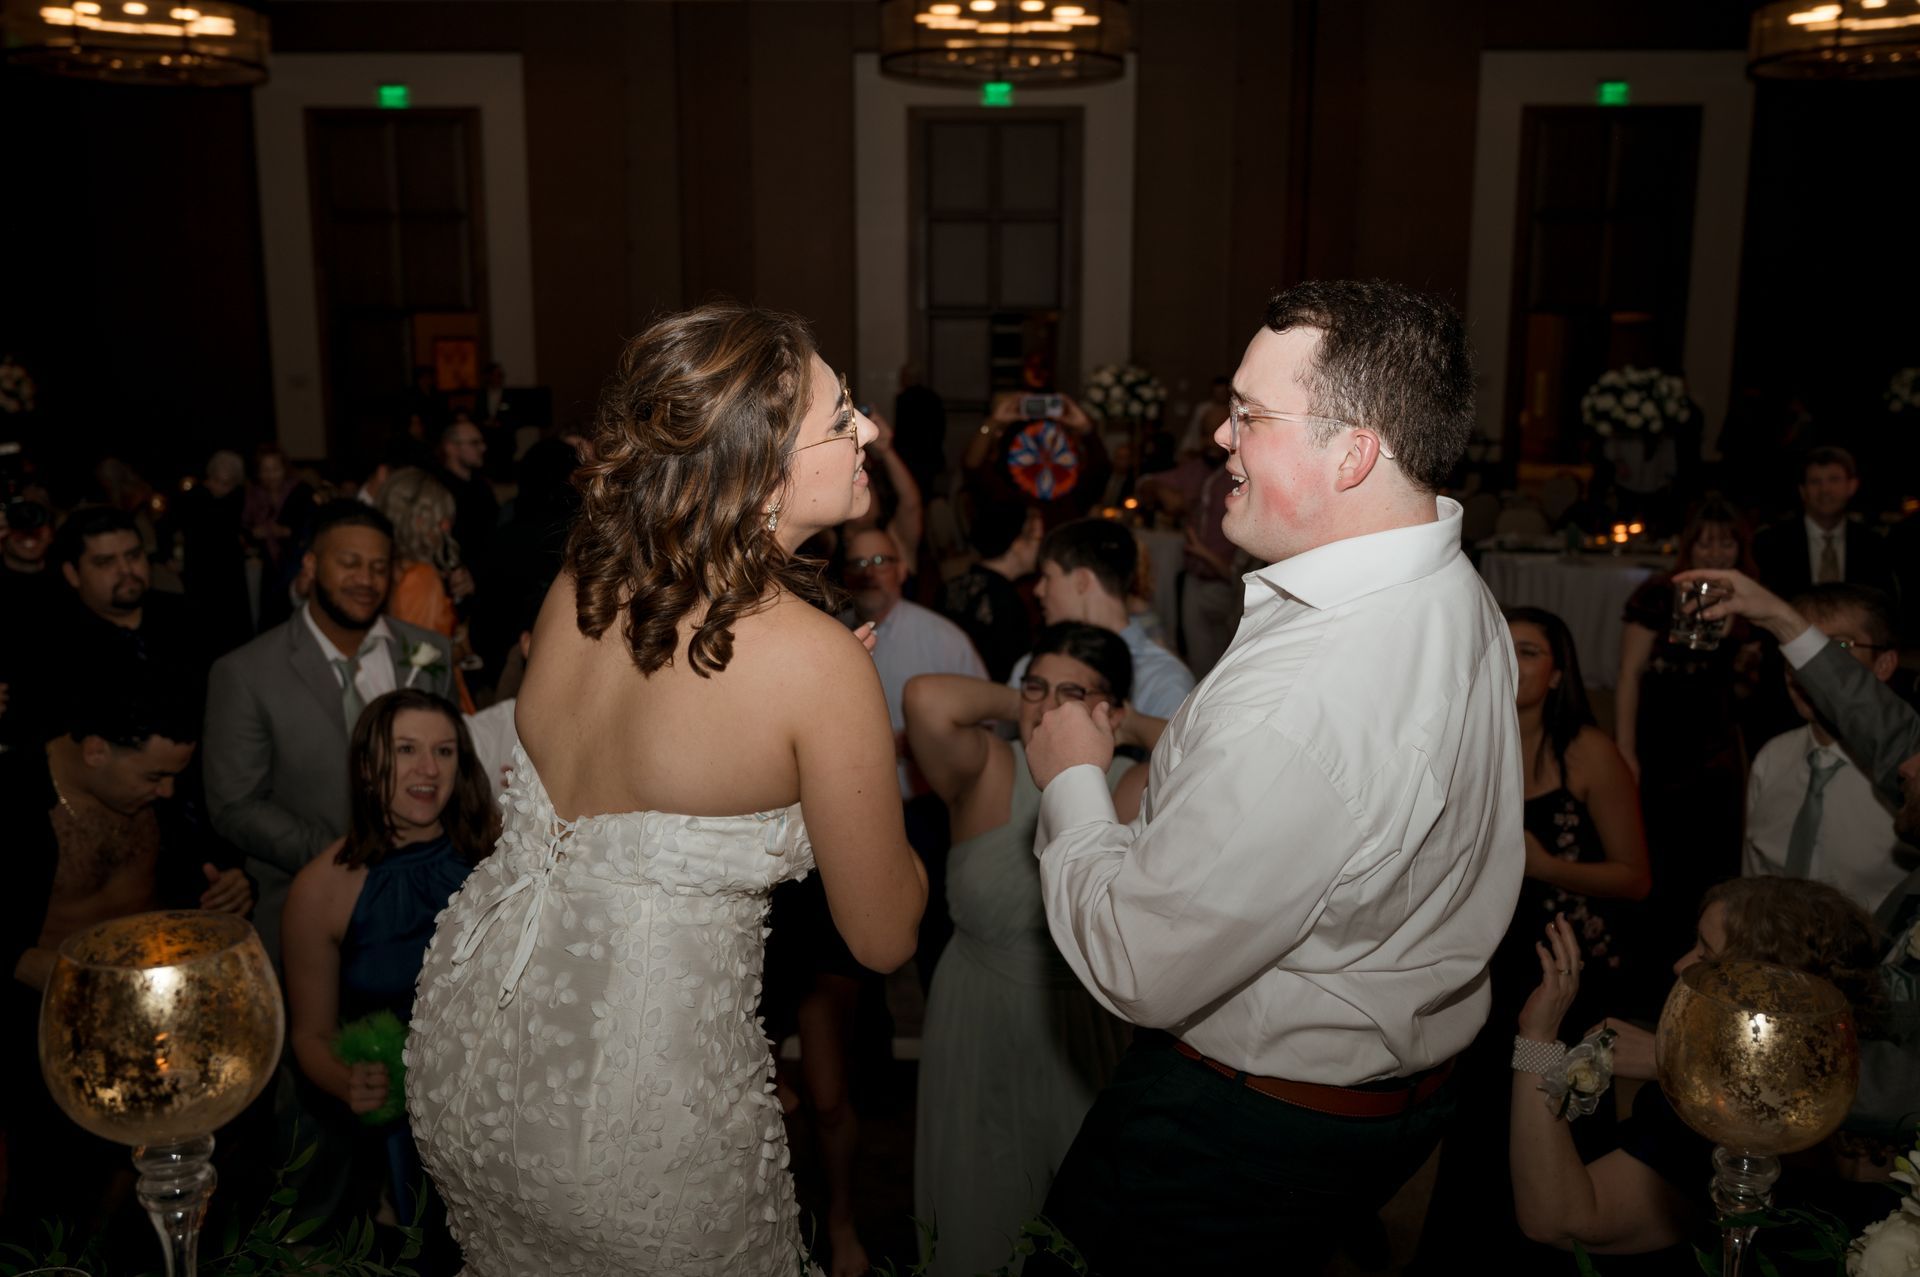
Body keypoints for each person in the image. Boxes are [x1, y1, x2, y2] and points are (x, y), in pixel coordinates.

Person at [405, 303, 928, 1277]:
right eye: (844, 414)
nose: (873, 432)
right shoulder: (815, 661)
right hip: (640, 1100)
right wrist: (855, 752)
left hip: (468, 1052)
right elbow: (884, 935)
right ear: (761, 471)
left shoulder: (579, 585)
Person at [1022, 279, 1523, 1274]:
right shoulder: (1449, 588)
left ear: (1356, 450)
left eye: (1250, 414)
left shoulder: (1309, 694)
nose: (1218, 436)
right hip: (1381, 1104)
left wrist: (1073, 781)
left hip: (1240, 1127)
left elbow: (1138, 962)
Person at [904, 624, 1158, 1277]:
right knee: (975, 1222)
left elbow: (1212, 752)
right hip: (976, 1020)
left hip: (1081, 1031)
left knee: (1078, 1231)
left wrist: (1119, 728)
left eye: (1072, 693)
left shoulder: (1129, 788)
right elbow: (926, 697)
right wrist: (1035, 704)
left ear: (1112, 707)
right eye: (1036, 686)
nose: (1048, 706)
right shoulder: (990, 765)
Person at [1416, 607, 1649, 1271]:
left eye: (1530, 650)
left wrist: (1546, 866)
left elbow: (1635, 878)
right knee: (1479, 1115)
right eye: (1502, 648)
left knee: (1556, 1112)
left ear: (1559, 672)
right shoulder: (1467, 742)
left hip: (1562, 973)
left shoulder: (1587, 751)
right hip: (1483, 957)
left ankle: (1548, 1253)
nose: (1513, 662)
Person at [1509, 881, 1890, 1270]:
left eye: (1706, 954)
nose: (1680, 965)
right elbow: (1560, 1218)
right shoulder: (1711, 1114)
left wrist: (1539, 1035)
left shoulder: (1720, 1127)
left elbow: (1557, 1220)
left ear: (1762, 988)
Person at [1, 678, 251, 1247]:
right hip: (47, 1036)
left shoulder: (162, 792)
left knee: (174, 1193)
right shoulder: (14, 797)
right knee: (57, 1208)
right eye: (153, 776)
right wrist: (66, 976)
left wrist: (237, 885)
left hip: (163, 1024)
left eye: (174, 777)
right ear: (95, 751)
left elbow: (210, 859)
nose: (166, 791)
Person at [282, 689, 489, 1258]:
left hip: (503, 1105)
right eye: (406, 750)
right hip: (404, 1131)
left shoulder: (496, 858)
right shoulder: (320, 889)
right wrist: (348, 1082)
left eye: (445, 752)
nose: (428, 769)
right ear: (369, 766)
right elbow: (309, 1035)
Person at [203, 501, 456, 961]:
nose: (366, 580)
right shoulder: (246, 672)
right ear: (312, 565)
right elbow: (235, 804)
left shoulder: (430, 653)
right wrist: (348, 858)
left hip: (431, 904)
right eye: (350, 564)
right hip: (307, 904)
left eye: (379, 567)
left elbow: (452, 759)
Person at [1614, 497, 1760, 1009]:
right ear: (1690, 544)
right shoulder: (1660, 594)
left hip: (1715, 744)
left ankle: (1703, 983)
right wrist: (1626, 750)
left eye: (1727, 541)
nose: (1717, 550)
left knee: (1711, 858)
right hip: (1662, 736)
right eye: (1707, 540)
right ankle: (1647, 980)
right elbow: (1629, 675)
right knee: (1658, 854)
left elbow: (1742, 693)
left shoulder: (1748, 603)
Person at [1744, 584, 1907, 912]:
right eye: (1797, 648)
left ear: (1884, 664)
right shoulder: (1771, 758)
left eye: (1837, 648)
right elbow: (1751, 877)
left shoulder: (1907, 774)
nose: (1808, 668)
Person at [1007, 517, 1196, 720]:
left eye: (1047, 577)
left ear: (1082, 580)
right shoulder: (1035, 664)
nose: (1038, 590)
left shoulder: (1162, 680)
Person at [376, 467, 476, 712]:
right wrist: (462, 648)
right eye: (441, 521)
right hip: (430, 702)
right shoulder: (420, 578)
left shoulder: (388, 567)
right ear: (419, 521)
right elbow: (420, 659)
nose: (447, 529)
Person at [1753, 447, 1900, 600]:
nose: (1825, 490)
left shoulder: (1874, 545)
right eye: (1815, 481)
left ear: (1852, 486)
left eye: (1834, 480)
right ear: (1803, 491)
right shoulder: (1770, 543)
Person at [941, 501, 1042, 684]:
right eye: (1038, 539)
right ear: (1018, 544)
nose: (1041, 548)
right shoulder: (1007, 600)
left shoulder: (950, 587)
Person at [243, 442, 315, 630]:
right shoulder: (252, 495)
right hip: (267, 567)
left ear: (284, 469)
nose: (270, 475)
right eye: (265, 470)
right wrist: (254, 534)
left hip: (295, 564)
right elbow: (243, 529)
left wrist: (286, 532)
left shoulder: (301, 491)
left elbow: (313, 527)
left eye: (275, 469)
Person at [433, 417, 498, 573]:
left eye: (481, 442)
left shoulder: (481, 485)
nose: (483, 447)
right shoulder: (437, 490)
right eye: (474, 443)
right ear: (451, 448)